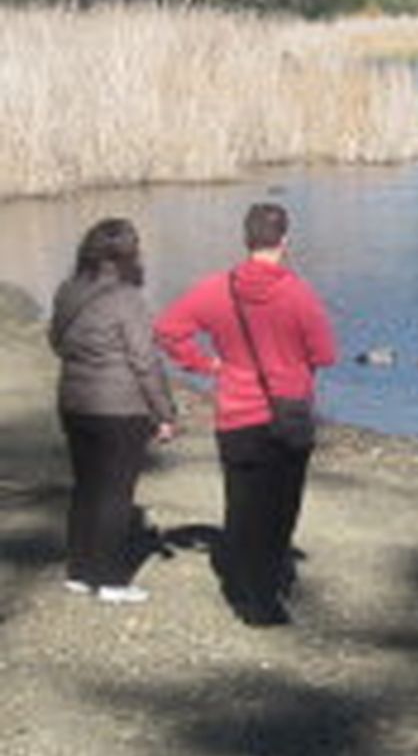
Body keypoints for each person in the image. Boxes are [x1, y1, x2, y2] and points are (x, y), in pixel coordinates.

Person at [156, 202, 337, 626]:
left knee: (241, 505)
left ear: (246, 239)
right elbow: (325, 353)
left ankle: (243, 587)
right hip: (287, 414)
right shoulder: (298, 293)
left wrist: (207, 365)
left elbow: (167, 330)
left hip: (235, 412)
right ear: (285, 241)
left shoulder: (215, 288)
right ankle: (262, 596)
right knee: (279, 509)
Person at [49, 218, 178, 604]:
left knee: (86, 486)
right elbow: (144, 362)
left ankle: (79, 571)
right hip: (119, 408)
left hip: (74, 401)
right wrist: (165, 412)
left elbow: (56, 340)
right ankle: (110, 580)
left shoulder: (68, 290)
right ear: (130, 255)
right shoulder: (128, 298)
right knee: (116, 493)